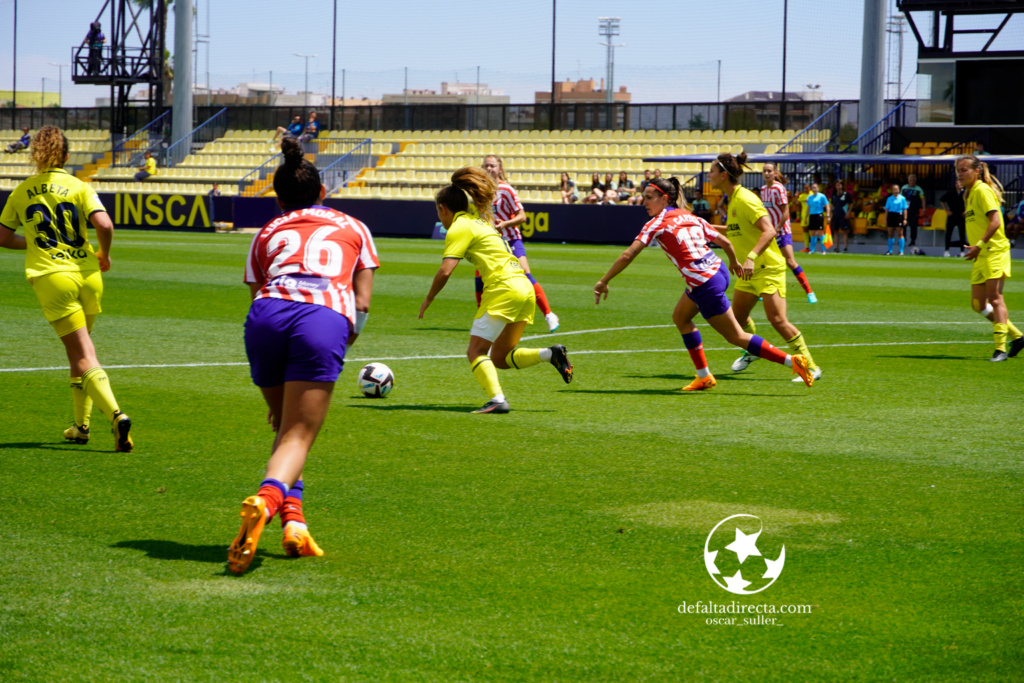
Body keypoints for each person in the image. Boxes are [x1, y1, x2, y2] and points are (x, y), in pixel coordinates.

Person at [231, 137, 379, 574]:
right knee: (297, 435)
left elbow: (257, 289)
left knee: (284, 429)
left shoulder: (268, 231)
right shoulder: (354, 226)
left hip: (266, 316)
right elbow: (363, 302)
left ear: (278, 200)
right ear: (323, 192)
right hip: (322, 317)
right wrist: (343, 337)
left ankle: (295, 525)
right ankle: (266, 502)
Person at [593, 177, 814, 391]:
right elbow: (725, 241)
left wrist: (604, 281)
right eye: (643, 198)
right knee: (681, 317)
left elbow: (628, 254)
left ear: (665, 198)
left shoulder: (656, 223)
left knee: (736, 336)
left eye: (649, 197)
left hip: (704, 282)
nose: (644, 202)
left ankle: (792, 362)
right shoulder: (690, 216)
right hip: (718, 271)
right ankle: (703, 376)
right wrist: (734, 263)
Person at [0, 126, 133, 452]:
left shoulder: (21, 191)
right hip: (89, 275)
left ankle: (116, 416)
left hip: (53, 277)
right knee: (78, 352)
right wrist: (104, 254)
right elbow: (104, 224)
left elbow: (2, 237)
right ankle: (81, 426)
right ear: (67, 156)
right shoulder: (79, 186)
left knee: (83, 355)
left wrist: (33, 243)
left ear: (36, 155)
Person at [418, 166, 573, 414]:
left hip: (503, 287)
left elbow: (445, 270)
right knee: (500, 357)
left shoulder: (459, 227)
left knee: (476, 351)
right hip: (523, 287)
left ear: (443, 209)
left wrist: (428, 299)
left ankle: (497, 400)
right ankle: (550, 354)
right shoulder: (481, 223)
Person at [710, 153, 823, 382]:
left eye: (712, 171)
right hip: (749, 272)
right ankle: (754, 350)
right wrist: (702, 226)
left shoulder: (745, 199)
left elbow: (770, 230)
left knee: (778, 320)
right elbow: (733, 230)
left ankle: (811, 367)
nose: (708, 175)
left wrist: (751, 256)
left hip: (767, 268)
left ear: (723, 175)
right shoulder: (733, 199)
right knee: (737, 319)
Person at [473, 154, 559, 332]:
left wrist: (505, 224)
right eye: (486, 166)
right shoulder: (479, 191)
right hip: (491, 243)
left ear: (500, 169)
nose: (489, 169)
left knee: (525, 275)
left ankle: (549, 314)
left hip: (511, 238)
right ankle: (482, 319)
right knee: (479, 279)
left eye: (492, 166)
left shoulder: (506, 190)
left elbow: (522, 216)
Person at [955, 155, 1024, 361]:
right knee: (978, 304)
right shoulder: (968, 193)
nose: (960, 173)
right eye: (958, 170)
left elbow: (995, 221)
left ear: (976, 171)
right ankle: (1018, 336)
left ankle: (1000, 349)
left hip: (994, 251)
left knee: (995, 298)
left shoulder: (982, 190)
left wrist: (980, 245)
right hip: (981, 253)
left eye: (964, 169)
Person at [760, 163, 816, 303]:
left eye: (769, 171)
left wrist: (778, 228)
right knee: (764, 261)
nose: (766, 173)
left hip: (782, 231)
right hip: (769, 232)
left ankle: (809, 292)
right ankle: (762, 291)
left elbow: (786, 211)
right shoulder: (763, 190)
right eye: (764, 171)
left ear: (775, 173)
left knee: (790, 262)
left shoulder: (779, 188)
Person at [940, 181, 967, 257]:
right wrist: (946, 210)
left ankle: (962, 251)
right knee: (948, 233)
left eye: (960, 183)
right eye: (957, 183)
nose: (958, 185)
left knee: (962, 234)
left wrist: (966, 210)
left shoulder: (966, 193)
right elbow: (942, 200)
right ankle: (946, 250)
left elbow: (971, 201)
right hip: (952, 215)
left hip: (961, 215)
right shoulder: (951, 192)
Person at [805, 183, 831, 255]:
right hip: (812, 216)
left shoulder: (822, 196)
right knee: (813, 233)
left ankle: (824, 250)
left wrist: (828, 215)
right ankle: (812, 250)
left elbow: (827, 206)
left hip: (819, 215)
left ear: (818, 188)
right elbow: (808, 207)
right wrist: (806, 217)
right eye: (813, 187)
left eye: (815, 187)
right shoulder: (809, 197)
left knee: (820, 233)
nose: (814, 189)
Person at [901, 174, 926, 247]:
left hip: (914, 209)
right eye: (911, 180)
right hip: (905, 209)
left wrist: (924, 209)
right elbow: (900, 198)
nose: (912, 182)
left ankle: (913, 240)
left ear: (915, 181)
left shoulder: (919, 189)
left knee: (913, 224)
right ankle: (903, 238)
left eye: (913, 180)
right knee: (903, 223)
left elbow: (923, 199)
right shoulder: (904, 188)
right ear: (908, 181)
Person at [884, 183, 908, 255]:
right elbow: (886, 209)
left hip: (899, 215)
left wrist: (905, 219)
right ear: (892, 190)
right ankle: (890, 251)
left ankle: (901, 251)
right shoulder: (889, 198)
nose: (895, 191)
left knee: (900, 233)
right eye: (894, 189)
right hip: (891, 215)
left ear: (899, 190)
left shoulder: (902, 198)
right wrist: (885, 219)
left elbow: (905, 209)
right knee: (890, 233)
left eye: (897, 189)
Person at [830, 179, 854, 253]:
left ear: (842, 186)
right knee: (835, 232)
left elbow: (851, 204)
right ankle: (836, 248)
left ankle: (845, 248)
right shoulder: (833, 195)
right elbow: (831, 205)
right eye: (837, 185)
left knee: (844, 232)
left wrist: (848, 212)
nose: (838, 186)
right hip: (835, 215)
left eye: (840, 185)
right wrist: (829, 214)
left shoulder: (846, 194)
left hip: (843, 215)